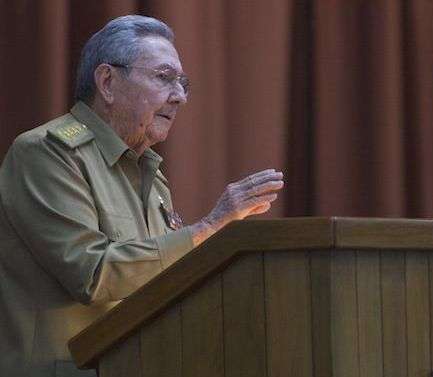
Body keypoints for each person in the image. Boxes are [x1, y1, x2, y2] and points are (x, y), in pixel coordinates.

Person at [0, 15, 283, 377]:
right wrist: (209, 227)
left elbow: (160, 282)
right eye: (164, 78)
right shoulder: (47, 154)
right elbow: (94, 275)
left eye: (183, 83)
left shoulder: (149, 170)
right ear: (107, 82)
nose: (179, 96)